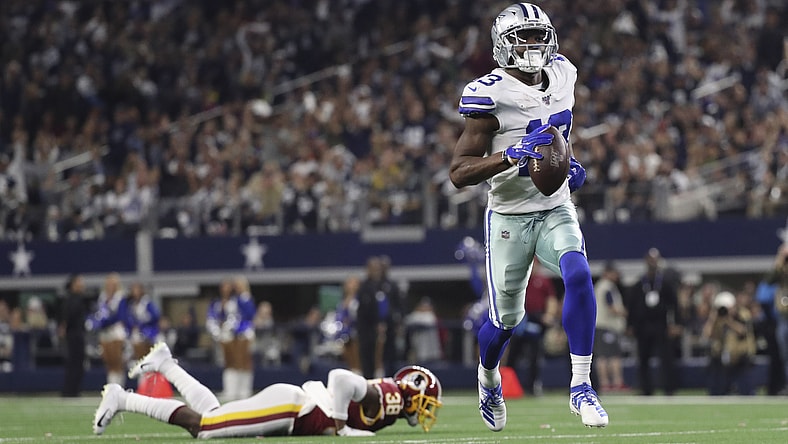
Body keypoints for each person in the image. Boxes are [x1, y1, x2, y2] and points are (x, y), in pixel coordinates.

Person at [448, 3, 606, 430]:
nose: (534, 45)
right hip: (509, 216)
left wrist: (568, 164)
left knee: (577, 272)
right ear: (502, 46)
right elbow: (459, 172)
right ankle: (488, 377)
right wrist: (508, 156)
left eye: (539, 36)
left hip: (554, 205)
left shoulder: (564, 74)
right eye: (523, 37)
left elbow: (558, 140)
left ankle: (580, 386)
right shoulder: (490, 93)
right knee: (505, 323)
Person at [94, 342, 443, 438]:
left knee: (213, 416)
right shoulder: (387, 397)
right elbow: (339, 377)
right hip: (295, 409)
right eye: (427, 402)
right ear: (412, 391)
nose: (427, 410)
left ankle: (165, 363)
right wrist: (341, 426)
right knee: (205, 429)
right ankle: (123, 397)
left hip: (295, 408)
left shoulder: (389, 406)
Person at [627, 248, 683, 396]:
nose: (652, 263)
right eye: (650, 260)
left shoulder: (665, 283)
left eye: (655, 260)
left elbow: (675, 304)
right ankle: (646, 389)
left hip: (661, 325)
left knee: (666, 358)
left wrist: (676, 323)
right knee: (643, 358)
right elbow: (631, 306)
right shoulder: (639, 284)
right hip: (643, 326)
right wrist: (630, 325)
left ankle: (669, 388)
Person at [504, 259, 559, 397]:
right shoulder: (519, 280)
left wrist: (549, 315)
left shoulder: (543, 281)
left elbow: (551, 299)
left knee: (534, 356)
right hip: (520, 320)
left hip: (536, 320)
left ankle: (532, 386)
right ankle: (507, 385)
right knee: (513, 355)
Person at [206, 276, 256, 401]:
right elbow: (217, 316)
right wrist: (220, 330)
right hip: (230, 334)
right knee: (231, 363)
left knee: (243, 362)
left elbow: (246, 316)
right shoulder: (226, 301)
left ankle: (244, 391)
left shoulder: (243, 299)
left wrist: (233, 327)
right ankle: (231, 390)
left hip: (243, 333)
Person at [702, 290, 757, 395]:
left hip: (740, 356)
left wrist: (728, 320)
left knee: (746, 389)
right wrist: (713, 318)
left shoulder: (743, 314)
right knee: (716, 384)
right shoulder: (717, 318)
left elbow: (743, 331)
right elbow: (707, 334)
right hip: (722, 357)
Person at [593, 261, 629, 393]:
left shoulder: (600, 286)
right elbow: (611, 307)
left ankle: (607, 383)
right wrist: (624, 312)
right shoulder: (606, 286)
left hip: (601, 325)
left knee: (604, 355)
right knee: (611, 356)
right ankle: (613, 383)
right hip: (606, 325)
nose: (616, 276)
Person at [86, 272, 128, 386]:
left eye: (113, 284)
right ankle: (111, 384)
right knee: (108, 360)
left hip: (115, 330)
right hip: (104, 331)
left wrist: (106, 322)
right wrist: (96, 322)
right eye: (109, 284)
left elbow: (121, 315)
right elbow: (99, 313)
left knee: (117, 360)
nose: (111, 286)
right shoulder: (102, 297)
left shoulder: (120, 297)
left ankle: (119, 386)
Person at [60, 274, 88, 397]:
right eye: (78, 283)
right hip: (74, 334)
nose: (81, 285)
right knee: (74, 363)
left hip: (76, 334)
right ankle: (71, 390)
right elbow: (66, 318)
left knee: (76, 363)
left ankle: (73, 389)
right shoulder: (72, 300)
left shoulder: (77, 299)